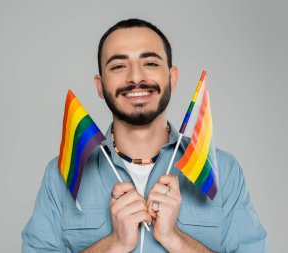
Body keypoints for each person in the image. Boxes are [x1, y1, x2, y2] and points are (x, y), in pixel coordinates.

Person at [21, 18, 267, 253]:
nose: (136, 77)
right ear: (100, 86)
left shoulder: (222, 170)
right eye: (118, 66)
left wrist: (175, 239)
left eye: (150, 63)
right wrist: (115, 244)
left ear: (172, 78)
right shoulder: (62, 174)